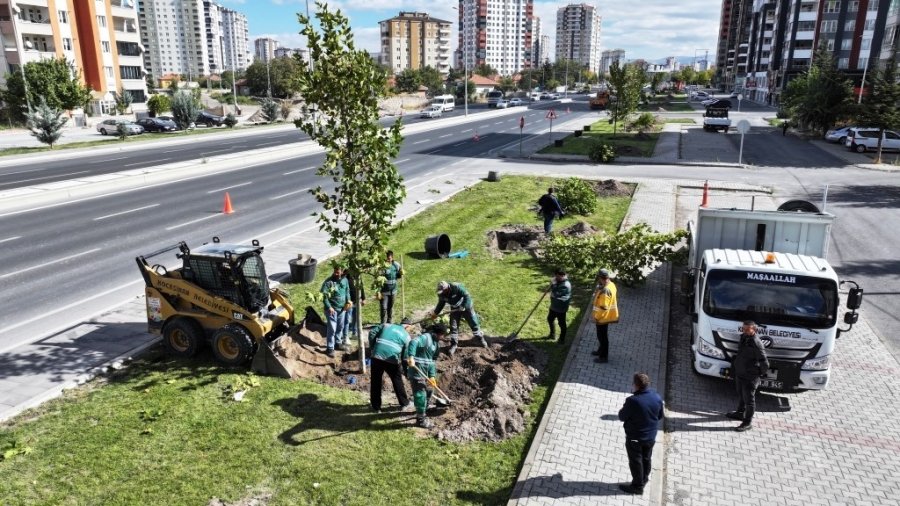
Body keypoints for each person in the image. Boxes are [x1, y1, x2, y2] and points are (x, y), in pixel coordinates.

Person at [617, 372, 665, 495]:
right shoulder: (657, 397)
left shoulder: (632, 401)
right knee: (646, 458)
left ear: (636, 385)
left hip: (635, 438)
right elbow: (660, 416)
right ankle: (644, 479)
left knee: (636, 461)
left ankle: (637, 486)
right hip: (651, 437)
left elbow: (622, 416)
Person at [727, 320, 769, 432]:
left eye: (747, 329)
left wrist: (757, 373)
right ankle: (740, 413)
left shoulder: (756, 343)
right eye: (743, 328)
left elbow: (765, 362)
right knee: (741, 394)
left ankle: (747, 422)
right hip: (740, 372)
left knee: (749, 400)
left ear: (754, 330)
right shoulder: (744, 337)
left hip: (750, 376)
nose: (744, 331)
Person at [406, 323, 448, 428]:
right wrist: (411, 356)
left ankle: (424, 409)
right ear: (438, 334)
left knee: (429, 390)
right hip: (417, 371)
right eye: (443, 335)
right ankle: (420, 420)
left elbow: (432, 362)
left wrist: (432, 376)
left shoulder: (436, 345)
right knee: (421, 395)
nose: (443, 337)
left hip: (425, 372)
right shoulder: (426, 337)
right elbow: (413, 342)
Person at [430, 281, 487, 356]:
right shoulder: (442, 294)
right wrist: (435, 313)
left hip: (466, 308)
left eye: (443, 291)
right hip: (455, 309)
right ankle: (454, 344)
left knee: (473, 323)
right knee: (453, 326)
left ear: (447, 288)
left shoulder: (457, 287)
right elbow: (441, 304)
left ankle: (481, 339)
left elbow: (467, 296)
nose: (442, 293)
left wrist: (464, 306)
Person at [368, 323, 412, 413]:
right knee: (397, 380)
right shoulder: (407, 336)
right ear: (407, 326)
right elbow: (405, 357)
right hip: (391, 359)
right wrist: (406, 371)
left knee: (376, 380)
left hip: (377, 355)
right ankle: (404, 403)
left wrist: (373, 347)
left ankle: (376, 407)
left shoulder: (386, 325)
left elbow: (372, 332)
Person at [320, 263, 351, 357]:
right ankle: (330, 348)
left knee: (340, 327)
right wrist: (329, 307)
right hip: (331, 310)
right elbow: (323, 296)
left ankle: (337, 343)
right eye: (335, 272)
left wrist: (348, 301)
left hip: (342, 309)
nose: (336, 274)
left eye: (338, 272)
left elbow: (347, 291)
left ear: (342, 272)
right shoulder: (328, 282)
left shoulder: (345, 280)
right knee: (332, 329)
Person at [592, 268, 619, 363]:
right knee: (602, 336)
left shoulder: (606, 290)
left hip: (602, 318)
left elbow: (603, 307)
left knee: (602, 338)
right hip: (607, 316)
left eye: (599, 277)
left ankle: (603, 357)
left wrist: (596, 317)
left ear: (601, 277)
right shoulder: (611, 285)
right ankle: (600, 351)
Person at [546, 269, 572, 343]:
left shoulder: (566, 285)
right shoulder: (559, 281)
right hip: (554, 305)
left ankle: (562, 339)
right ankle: (552, 334)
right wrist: (554, 282)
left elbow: (556, 293)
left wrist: (553, 284)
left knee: (562, 324)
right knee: (550, 319)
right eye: (555, 276)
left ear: (562, 275)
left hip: (561, 307)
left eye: (557, 276)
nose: (556, 277)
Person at [378, 251, 403, 324]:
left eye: (390, 258)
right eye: (387, 258)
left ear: (392, 257)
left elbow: (398, 275)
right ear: (386, 258)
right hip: (384, 292)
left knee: (390, 308)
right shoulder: (383, 267)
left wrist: (400, 273)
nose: (389, 260)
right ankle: (382, 323)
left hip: (393, 291)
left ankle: (390, 323)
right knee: (383, 308)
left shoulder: (396, 265)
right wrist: (378, 291)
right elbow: (378, 279)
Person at [342, 268, 366, 342]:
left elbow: (361, 287)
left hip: (357, 300)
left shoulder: (358, 276)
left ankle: (354, 333)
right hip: (349, 302)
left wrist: (363, 298)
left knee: (356, 317)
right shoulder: (345, 277)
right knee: (347, 319)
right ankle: (345, 336)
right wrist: (346, 301)